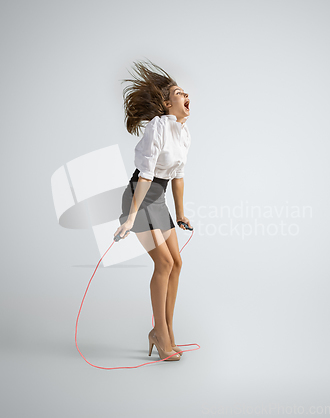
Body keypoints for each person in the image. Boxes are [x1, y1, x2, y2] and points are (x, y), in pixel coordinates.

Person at [114, 59, 193, 362]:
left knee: (176, 263)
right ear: (165, 102)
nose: (186, 96)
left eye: (185, 92)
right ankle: (159, 333)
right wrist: (130, 217)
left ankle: (167, 331)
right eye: (178, 92)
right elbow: (146, 176)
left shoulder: (183, 133)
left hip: (158, 200)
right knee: (162, 264)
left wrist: (181, 213)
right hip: (139, 197)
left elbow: (178, 176)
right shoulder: (158, 126)